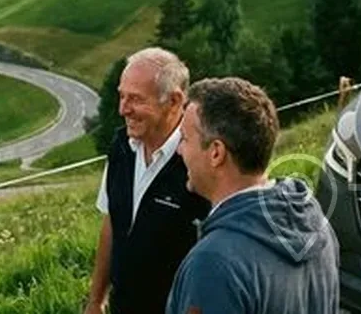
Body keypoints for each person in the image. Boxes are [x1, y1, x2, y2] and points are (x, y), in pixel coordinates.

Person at [168, 77, 339, 314]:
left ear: (216, 153)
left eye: (185, 139)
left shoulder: (213, 264)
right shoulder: (319, 227)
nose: (179, 151)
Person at [84, 48, 210, 314]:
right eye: (121, 96)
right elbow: (112, 221)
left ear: (174, 101)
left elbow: (214, 260)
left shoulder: (200, 163)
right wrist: (96, 300)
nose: (123, 109)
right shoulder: (121, 147)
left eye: (136, 99)